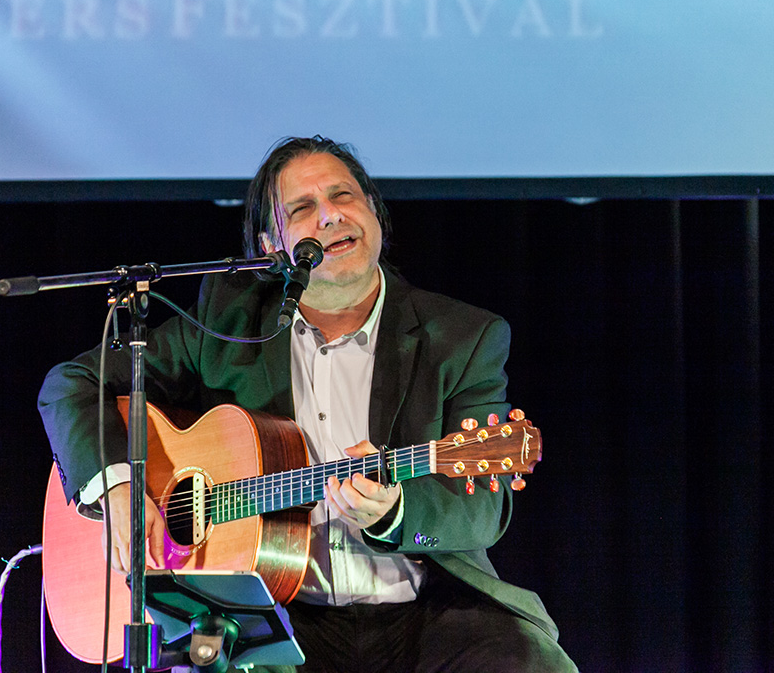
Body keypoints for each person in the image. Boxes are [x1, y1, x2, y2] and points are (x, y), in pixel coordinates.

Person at [38, 136, 578, 672]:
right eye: (302, 208)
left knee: (529, 664)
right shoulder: (227, 322)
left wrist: (394, 511)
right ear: (271, 246)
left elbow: (483, 510)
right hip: (276, 615)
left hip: (429, 611)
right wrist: (120, 491)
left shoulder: (461, 336)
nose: (331, 216)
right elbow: (72, 384)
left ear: (374, 213)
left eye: (344, 196)